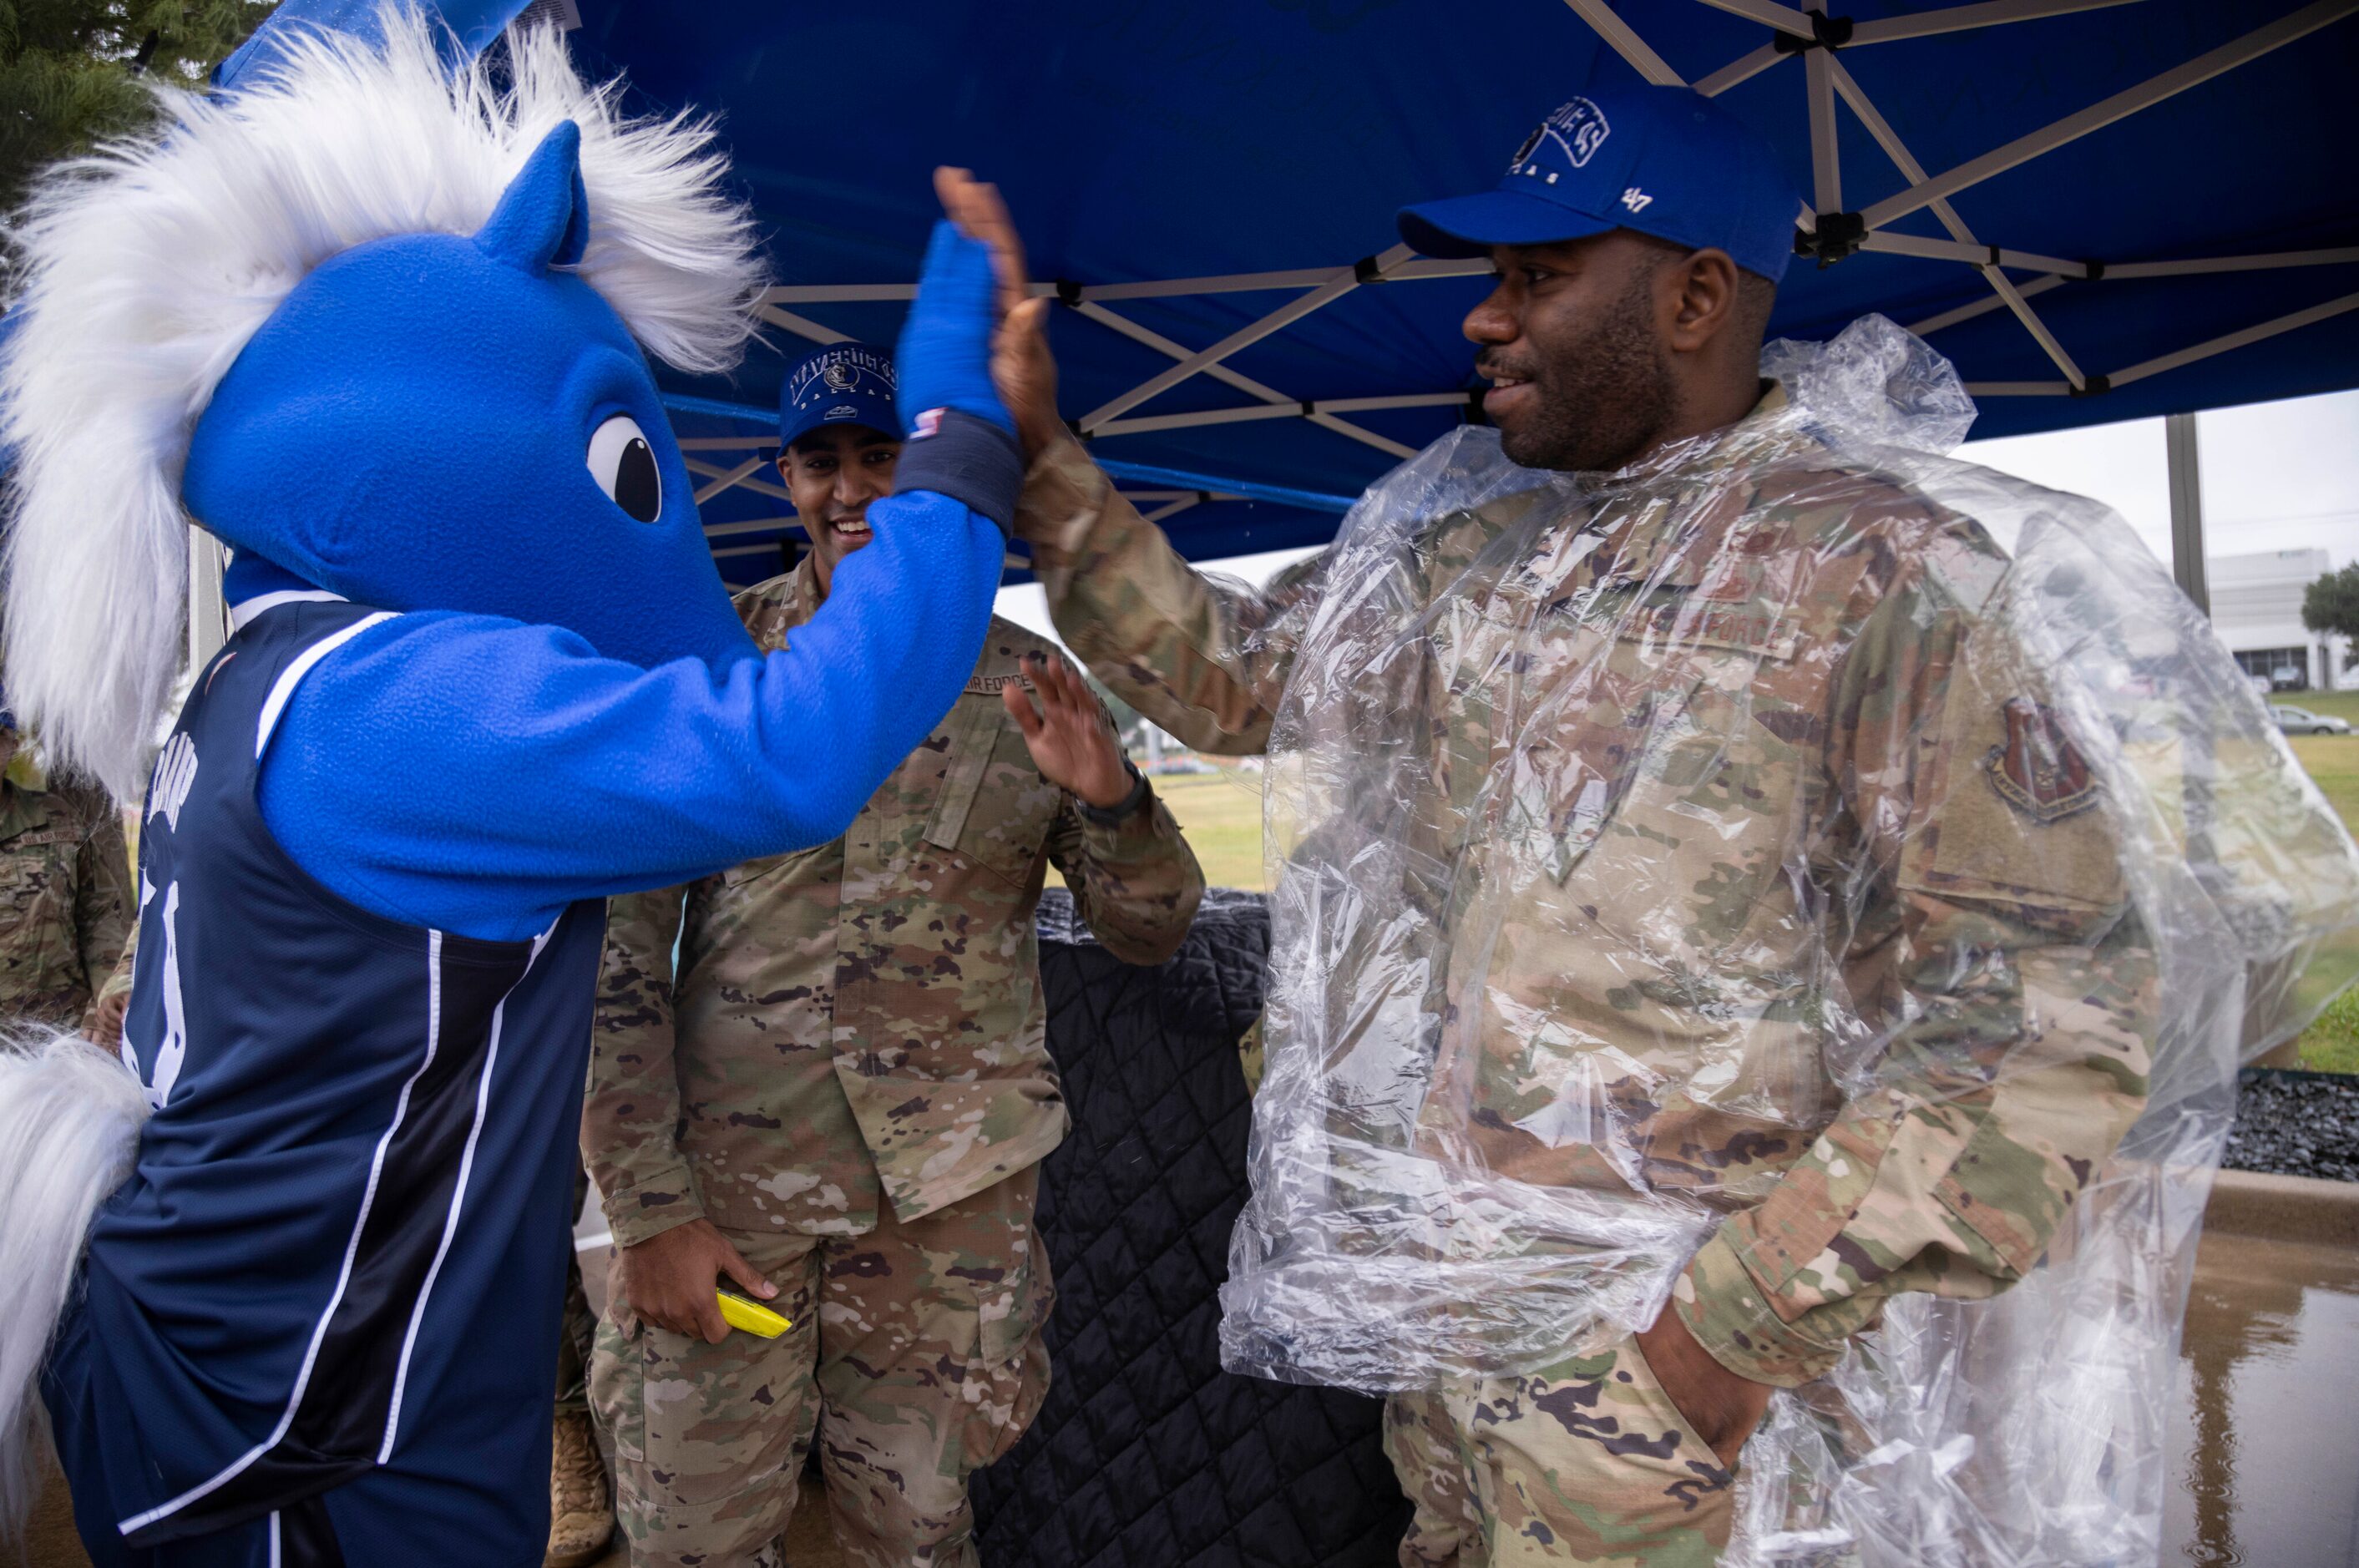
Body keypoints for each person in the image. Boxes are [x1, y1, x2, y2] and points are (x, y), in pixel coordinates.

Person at [954, 78, 2160, 1564]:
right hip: (1460, 1340)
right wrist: (1044, 452)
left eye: (1537, 278)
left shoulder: (1888, 575)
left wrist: (1722, 1337)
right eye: (1493, 280)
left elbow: (2052, 1012)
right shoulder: (1475, 558)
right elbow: (1226, 673)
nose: (1483, 318)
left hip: (1683, 1384)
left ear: (1696, 297)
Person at [0, 8, 1034, 1563]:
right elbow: (789, 746)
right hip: (310, 1429)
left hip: (222, 1358)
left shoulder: (264, 670)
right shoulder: (393, 701)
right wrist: (956, 442)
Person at [583, 341, 1205, 1568]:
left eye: (886, 456)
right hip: (734, 1193)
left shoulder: (1028, 681)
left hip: (947, 1211)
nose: (854, 487)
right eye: (824, 460)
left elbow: (1155, 925)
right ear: (785, 476)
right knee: (694, 1532)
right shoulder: (712, 663)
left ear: (939, 476)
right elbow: (616, 958)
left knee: (916, 1531)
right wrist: (647, 1213)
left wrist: (1117, 796)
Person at [0, 707, 132, 1042]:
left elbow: (99, 914)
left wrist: (104, 1000)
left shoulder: (59, 819)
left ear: (11, 743)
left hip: (60, 1039)